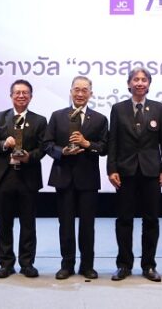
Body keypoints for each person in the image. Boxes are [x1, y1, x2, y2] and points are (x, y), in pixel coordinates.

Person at [107, 67, 162, 282]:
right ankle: (124, 265)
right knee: (124, 219)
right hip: (125, 172)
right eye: (136, 79)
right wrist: (112, 169)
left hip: (151, 172)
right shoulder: (118, 109)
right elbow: (113, 141)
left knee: (151, 220)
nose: (140, 83)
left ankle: (149, 265)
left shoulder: (159, 108)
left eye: (144, 79)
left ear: (149, 84)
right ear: (129, 84)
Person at [44, 76, 108, 280]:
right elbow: (47, 144)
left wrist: (87, 143)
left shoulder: (99, 119)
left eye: (84, 90)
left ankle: (87, 265)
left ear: (91, 93)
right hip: (63, 177)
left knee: (87, 225)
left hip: (88, 179)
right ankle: (67, 265)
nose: (80, 94)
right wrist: (62, 151)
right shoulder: (57, 116)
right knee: (66, 224)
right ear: (71, 92)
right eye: (77, 90)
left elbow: (105, 148)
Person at [0, 79, 47, 279]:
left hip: (28, 177)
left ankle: (27, 264)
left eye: (25, 93)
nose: (21, 96)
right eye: (17, 92)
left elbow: (43, 148)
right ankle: (6, 264)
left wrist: (29, 156)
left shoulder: (40, 120)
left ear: (31, 97)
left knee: (28, 224)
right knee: (4, 223)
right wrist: (4, 143)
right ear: (11, 96)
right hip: (4, 177)